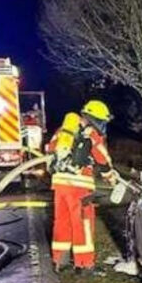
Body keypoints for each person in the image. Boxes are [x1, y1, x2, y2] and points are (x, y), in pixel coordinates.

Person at [48, 101, 118, 274]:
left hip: (59, 185)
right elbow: (101, 157)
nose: (102, 125)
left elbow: (50, 149)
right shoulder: (91, 134)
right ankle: (85, 264)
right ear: (94, 119)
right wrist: (110, 176)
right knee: (83, 224)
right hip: (79, 187)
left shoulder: (63, 131)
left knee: (62, 222)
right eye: (101, 121)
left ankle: (60, 261)